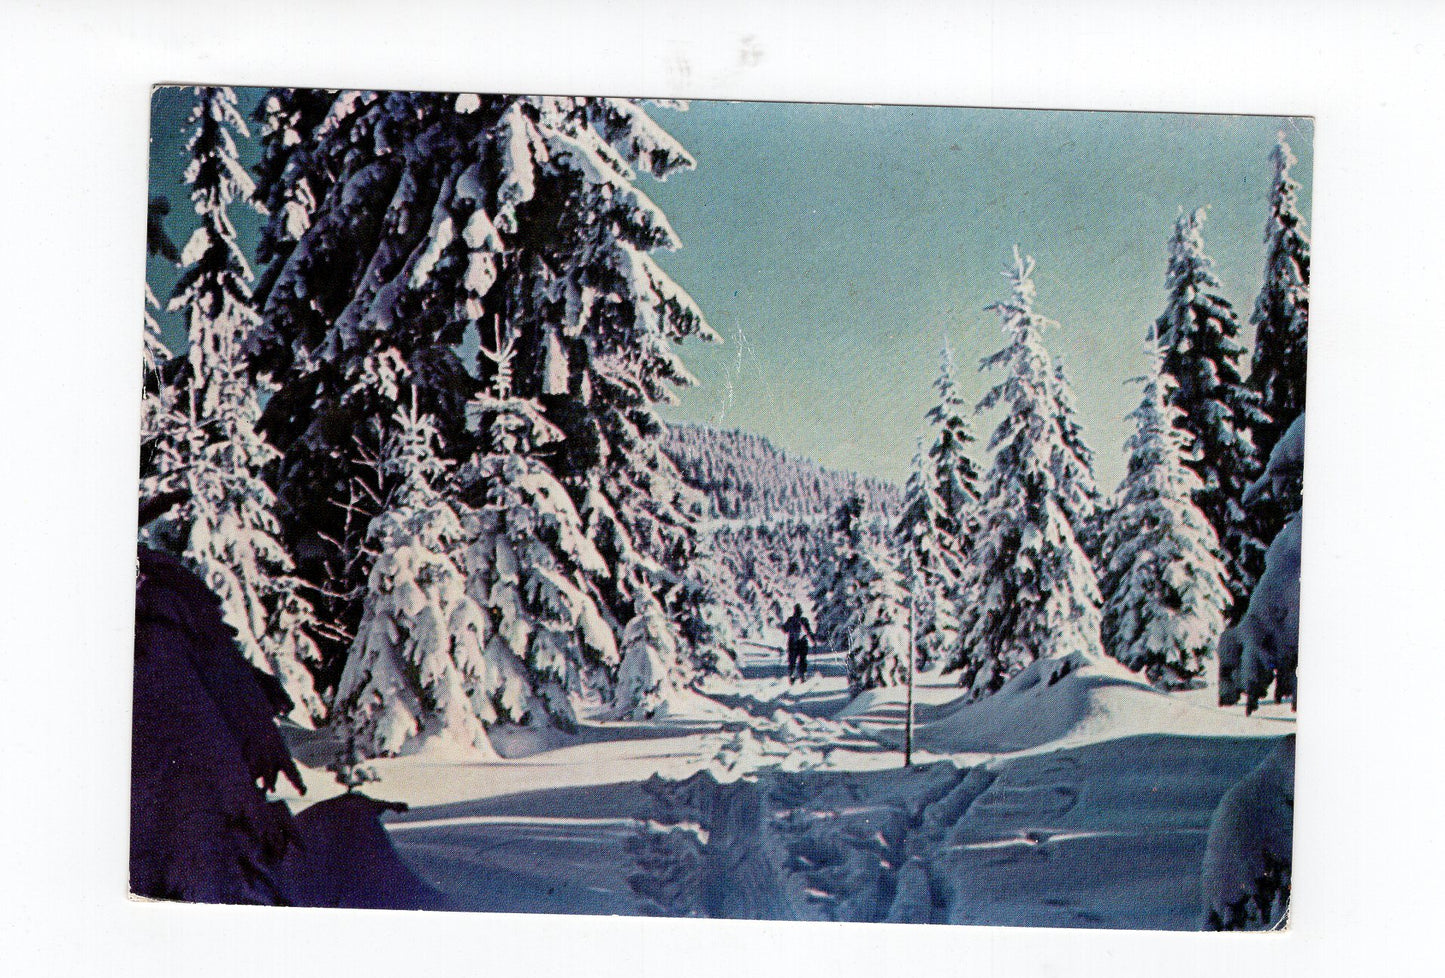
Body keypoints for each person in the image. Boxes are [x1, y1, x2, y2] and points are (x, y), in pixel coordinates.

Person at [781, 604, 815, 684]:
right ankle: (802, 674)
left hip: (792, 642)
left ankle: (791, 674)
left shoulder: (790, 620)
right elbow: (809, 631)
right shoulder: (804, 620)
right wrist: (813, 640)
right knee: (802, 659)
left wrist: (783, 626)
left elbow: (785, 630)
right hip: (802, 642)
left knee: (792, 659)